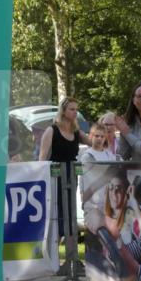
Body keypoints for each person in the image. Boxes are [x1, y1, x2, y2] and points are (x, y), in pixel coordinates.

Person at [39, 97, 88, 244]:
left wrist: (106, 130)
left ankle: (71, 249)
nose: (75, 112)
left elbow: (93, 142)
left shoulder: (76, 131)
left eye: (76, 109)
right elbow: (42, 158)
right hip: (56, 175)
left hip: (72, 175)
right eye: (72, 109)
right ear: (63, 111)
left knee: (70, 209)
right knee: (57, 209)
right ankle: (53, 244)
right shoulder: (51, 130)